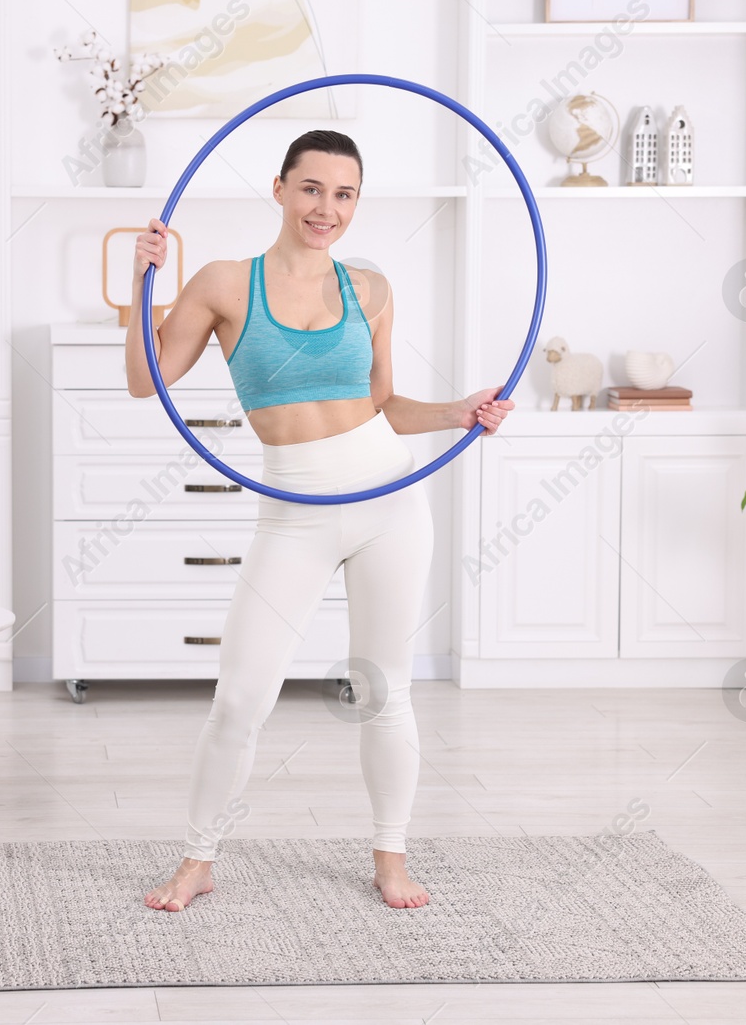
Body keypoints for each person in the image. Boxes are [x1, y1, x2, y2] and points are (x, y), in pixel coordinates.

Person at [126, 129, 514, 911]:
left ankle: (391, 856)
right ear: (279, 189)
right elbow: (146, 381)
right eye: (311, 189)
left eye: (343, 194)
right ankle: (198, 859)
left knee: (382, 686)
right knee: (240, 697)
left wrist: (460, 410)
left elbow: (381, 405)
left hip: (388, 502)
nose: (325, 208)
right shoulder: (225, 284)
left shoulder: (369, 288)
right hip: (294, 511)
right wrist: (143, 283)